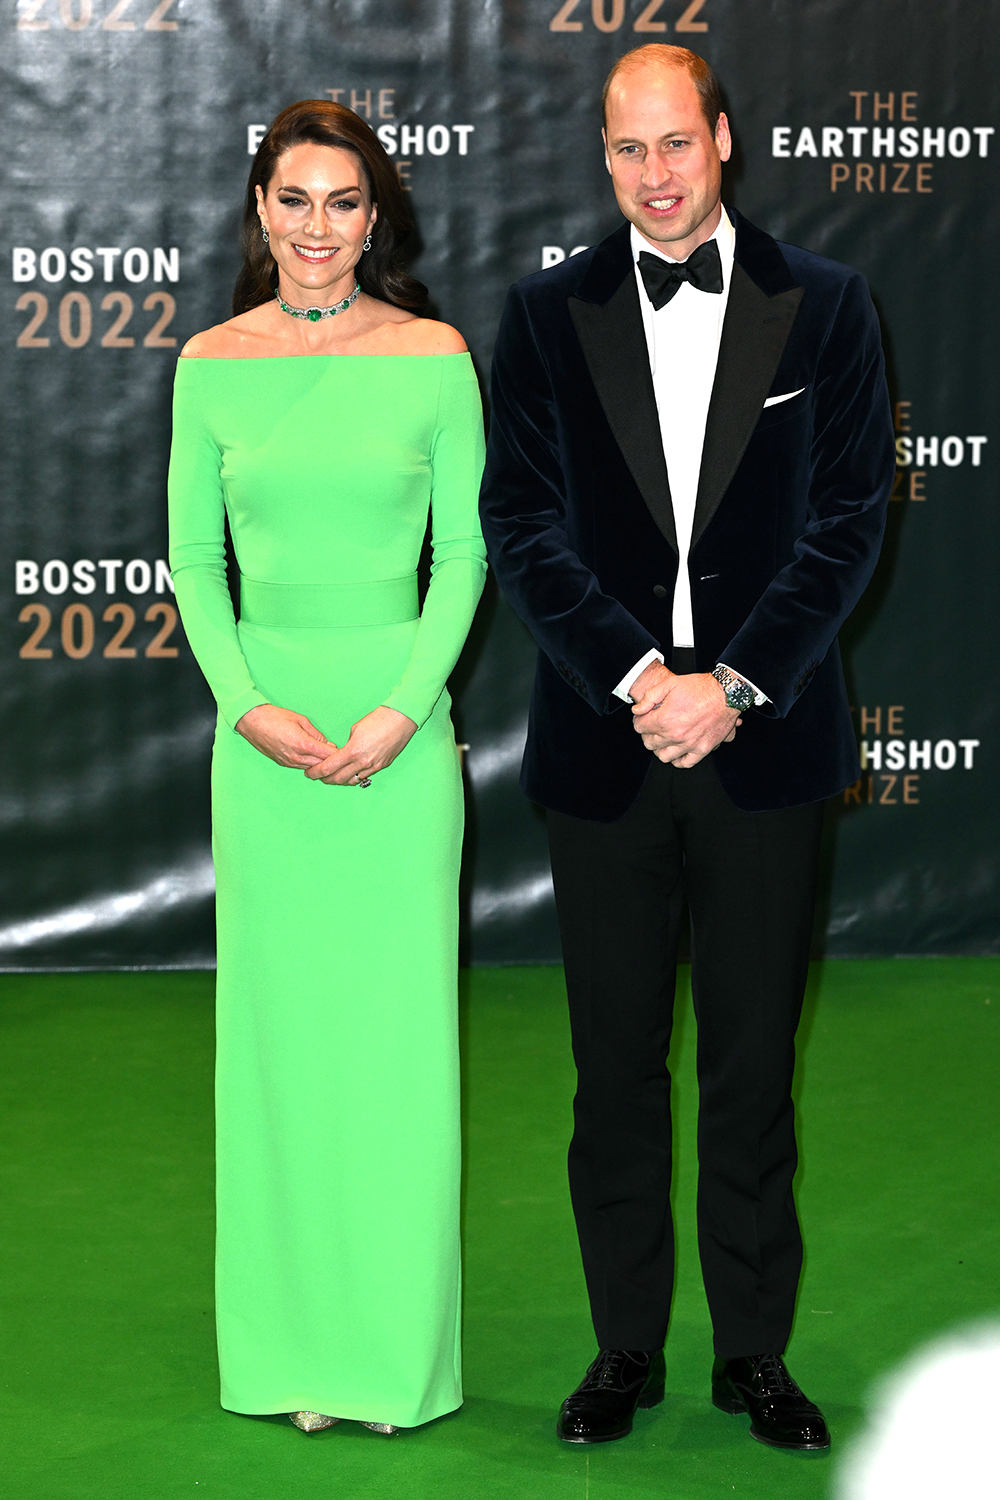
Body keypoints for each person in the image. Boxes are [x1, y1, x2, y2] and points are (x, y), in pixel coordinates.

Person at [479, 45, 893, 1452]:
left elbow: (848, 522)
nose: (653, 175)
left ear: (722, 138)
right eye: (627, 149)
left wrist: (736, 686)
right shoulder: (545, 316)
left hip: (761, 750)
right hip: (607, 751)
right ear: (602, 158)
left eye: (674, 143)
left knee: (753, 1068)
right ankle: (624, 1348)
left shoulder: (827, 304)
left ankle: (754, 1355)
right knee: (612, 1073)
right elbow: (521, 525)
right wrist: (641, 677)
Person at [167, 100, 486, 1435]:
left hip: (398, 749)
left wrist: (405, 711)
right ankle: (293, 1351)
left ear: (375, 217)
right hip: (266, 751)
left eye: (343, 202)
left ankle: (391, 1357)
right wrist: (246, 708)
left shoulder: (434, 356)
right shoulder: (209, 363)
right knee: (283, 1053)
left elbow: (464, 555)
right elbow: (196, 562)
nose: (316, 228)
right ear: (260, 210)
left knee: (395, 1051)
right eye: (293, 199)